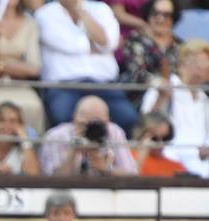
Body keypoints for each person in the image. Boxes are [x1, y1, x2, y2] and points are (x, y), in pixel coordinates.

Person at [36, 0, 138, 134]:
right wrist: (94, 45)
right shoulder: (44, 13)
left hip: (104, 83)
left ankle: (108, 153)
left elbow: (108, 42)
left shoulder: (101, 9)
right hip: (64, 85)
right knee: (61, 116)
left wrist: (81, 12)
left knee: (128, 117)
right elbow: (65, 42)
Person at [139, 37, 209, 176]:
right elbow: (145, 125)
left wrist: (207, 150)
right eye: (197, 61)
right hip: (168, 160)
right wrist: (162, 97)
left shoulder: (207, 101)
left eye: (206, 64)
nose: (201, 67)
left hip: (201, 167)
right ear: (182, 63)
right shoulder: (163, 87)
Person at [0, 0, 46, 138]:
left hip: (19, 85)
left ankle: (29, 152)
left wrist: (1, 65)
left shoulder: (30, 24)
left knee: (35, 106)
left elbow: (34, 68)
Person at [39, 94, 137, 176]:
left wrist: (106, 169)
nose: (91, 130)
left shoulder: (114, 131)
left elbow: (132, 176)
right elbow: (51, 182)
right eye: (85, 124)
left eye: (97, 124)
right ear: (74, 119)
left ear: (108, 121)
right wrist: (73, 152)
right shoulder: (56, 136)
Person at [120, 0, 181, 86]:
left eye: (166, 15)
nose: (161, 19)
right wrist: (159, 84)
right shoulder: (135, 40)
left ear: (173, 18)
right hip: (141, 94)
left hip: (176, 93)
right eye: (155, 13)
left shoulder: (179, 44)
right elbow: (136, 73)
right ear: (148, 15)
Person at [132, 110, 185, 175]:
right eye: (155, 139)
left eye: (166, 138)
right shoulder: (127, 157)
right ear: (141, 135)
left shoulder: (177, 167)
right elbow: (130, 178)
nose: (161, 143)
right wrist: (142, 155)